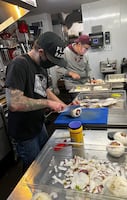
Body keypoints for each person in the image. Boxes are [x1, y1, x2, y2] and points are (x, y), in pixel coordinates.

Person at [5, 31, 78, 171]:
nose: (52, 64)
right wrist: (48, 103)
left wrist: (64, 106)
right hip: (25, 132)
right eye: (51, 60)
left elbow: (44, 91)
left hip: (38, 125)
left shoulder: (41, 67)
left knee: (45, 160)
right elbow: (14, 103)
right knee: (34, 169)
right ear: (40, 51)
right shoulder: (19, 64)